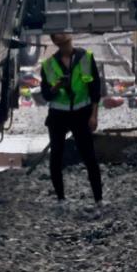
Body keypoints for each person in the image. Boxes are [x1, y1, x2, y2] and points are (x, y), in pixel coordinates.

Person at [40, 33, 105, 207]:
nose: (62, 35)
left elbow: (95, 89)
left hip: (81, 114)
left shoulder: (85, 58)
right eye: (57, 34)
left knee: (89, 156)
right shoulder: (48, 65)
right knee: (56, 157)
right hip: (58, 116)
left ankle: (98, 199)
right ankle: (61, 198)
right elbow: (46, 95)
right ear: (55, 41)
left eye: (63, 31)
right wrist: (56, 87)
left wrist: (94, 115)